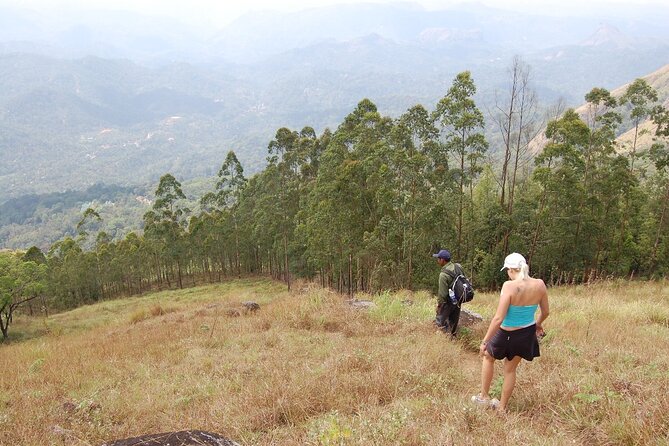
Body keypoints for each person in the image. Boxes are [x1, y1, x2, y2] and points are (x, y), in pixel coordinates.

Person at [472, 252, 549, 412]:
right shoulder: (540, 284)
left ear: (511, 270)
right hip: (526, 333)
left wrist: (485, 341)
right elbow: (546, 311)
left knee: (488, 356)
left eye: (507, 270)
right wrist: (538, 324)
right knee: (510, 369)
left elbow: (499, 318)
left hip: (505, 332)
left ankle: (484, 397)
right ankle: (502, 407)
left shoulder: (509, 286)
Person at [432, 249, 460, 337]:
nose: (437, 260)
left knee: (439, 324)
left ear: (443, 260)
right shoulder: (458, 267)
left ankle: (440, 342)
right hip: (458, 301)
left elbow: (442, 294)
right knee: (453, 326)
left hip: (448, 302)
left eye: (438, 259)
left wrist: (439, 306)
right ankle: (453, 340)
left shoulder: (443, 275)